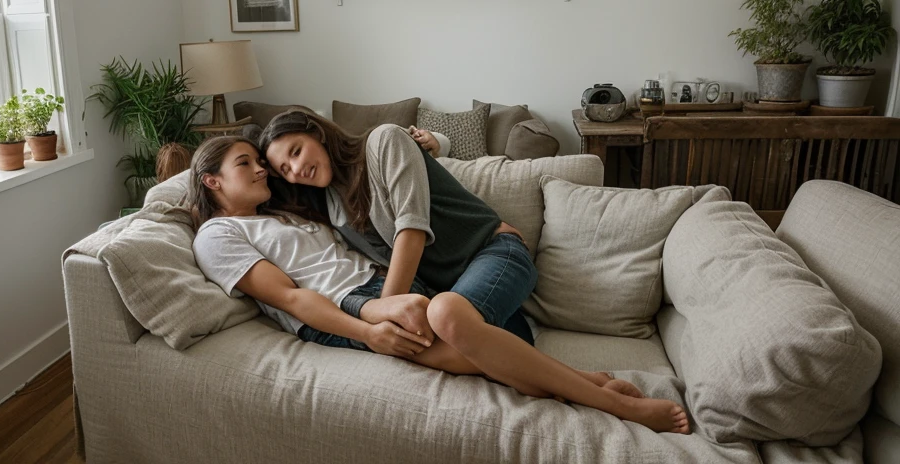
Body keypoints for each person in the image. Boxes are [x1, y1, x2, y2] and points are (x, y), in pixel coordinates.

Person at [187, 136, 691, 434]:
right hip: (351, 309)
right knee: (480, 349)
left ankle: (595, 386)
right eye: (246, 165)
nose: (265, 171)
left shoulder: (291, 209)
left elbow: (376, 174)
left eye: (265, 163)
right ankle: (611, 400)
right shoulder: (218, 235)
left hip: (390, 287)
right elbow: (293, 298)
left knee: (490, 341)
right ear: (211, 181)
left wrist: (430, 143)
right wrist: (368, 326)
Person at [260, 110, 534, 346]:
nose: (297, 169)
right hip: (451, 293)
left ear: (317, 133)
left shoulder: (384, 140)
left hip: (494, 252)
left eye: (296, 151)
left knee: (441, 325)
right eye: (285, 170)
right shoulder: (330, 205)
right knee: (464, 343)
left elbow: (411, 232)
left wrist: (388, 311)